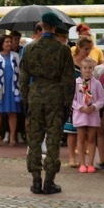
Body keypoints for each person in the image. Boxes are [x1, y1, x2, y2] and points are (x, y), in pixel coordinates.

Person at [19, 11, 75, 194]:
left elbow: (23, 78)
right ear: (55, 27)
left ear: (41, 26)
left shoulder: (30, 48)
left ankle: (36, 180)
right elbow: (68, 80)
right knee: (52, 140)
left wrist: (25, 100)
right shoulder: (63, 50)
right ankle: (49, 181)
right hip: (55, 97)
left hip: (35, 96)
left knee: (34, 140)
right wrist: (68, 103)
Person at [66, 36, 94, 167]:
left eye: (90, 49)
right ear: (79, 47)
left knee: (84, 131)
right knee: (72, 131)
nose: (88, 51)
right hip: (73, 99)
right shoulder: (70, 62)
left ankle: (83, 159)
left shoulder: (91, 63)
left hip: (87, 101)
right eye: (85, 49)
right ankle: (72, 158)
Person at [72, 58, 104, 173]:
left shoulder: (97, 83)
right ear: (81, 69)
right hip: (80, 114)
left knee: (91, 138)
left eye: (90, 68)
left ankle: (90, 163)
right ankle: (82, 163)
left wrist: (94, 107)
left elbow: (101, 99)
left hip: (92, 114)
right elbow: (72, 99)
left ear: (93, 69)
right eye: (85, 68)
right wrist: (80, 107)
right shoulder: (76, 83)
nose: (87, 70)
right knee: (80, 139)